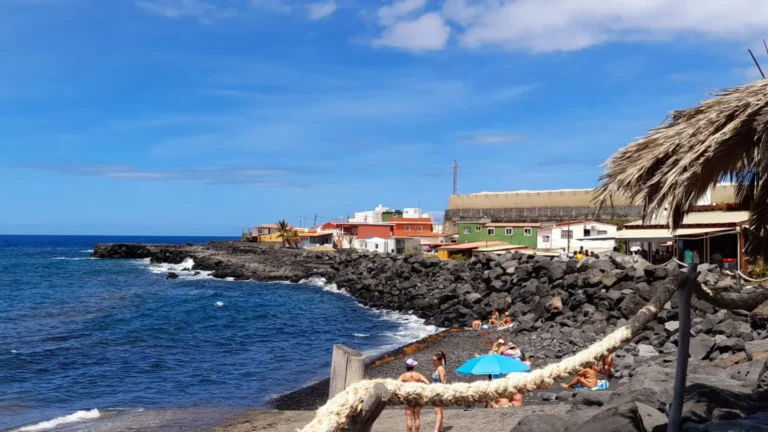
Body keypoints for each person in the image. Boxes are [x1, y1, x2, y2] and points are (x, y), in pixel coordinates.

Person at [399, 359, 431, 432]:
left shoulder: (403, 376)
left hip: (408, 397)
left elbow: (396, 384)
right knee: (417, 418)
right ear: (414, 366)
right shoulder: (418, 375)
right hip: (417, 397)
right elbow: (427, 383)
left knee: (409, 418)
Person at [432, 352, 447, 432]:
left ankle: (436, 429)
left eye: (434, 360)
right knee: (439, 410)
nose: (433, 362)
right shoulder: (438, 368)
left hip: (438, 392)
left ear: (439, 361)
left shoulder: (440, 369)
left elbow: (443, 381)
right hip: (435, 391)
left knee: (437, 411)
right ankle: (440, 428)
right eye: (433, 360)